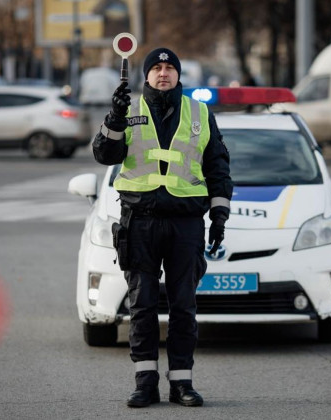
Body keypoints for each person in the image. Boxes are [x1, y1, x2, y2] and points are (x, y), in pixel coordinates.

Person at [92, 47, 232, 408]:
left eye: (170, 67)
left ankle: (182, 383)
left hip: (185, 223)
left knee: (184, 306)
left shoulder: (199, 113)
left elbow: (218, 167)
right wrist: (114, 116)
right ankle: (145, 383)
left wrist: (219, 217)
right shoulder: (129, 109)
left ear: (179, 75)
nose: (164, 72)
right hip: (140, 221)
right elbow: (105, 155)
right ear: (146, 74)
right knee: (143, 306)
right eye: (157, 67)